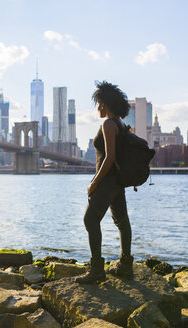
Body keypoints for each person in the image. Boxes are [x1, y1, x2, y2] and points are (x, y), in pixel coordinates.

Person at [74, 81, 133, 284]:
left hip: (107, 180)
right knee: (122, 221)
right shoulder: (121, 125)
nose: (97, 107)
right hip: (118, 182)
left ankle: (97, 270)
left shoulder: (108, 124)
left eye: (99, 103)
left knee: (90, 220)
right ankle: (126, 266)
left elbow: (109, 157)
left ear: (105, 104)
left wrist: (94, 183)